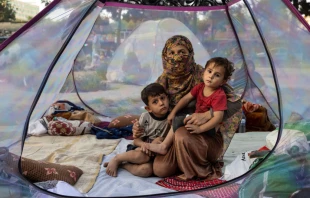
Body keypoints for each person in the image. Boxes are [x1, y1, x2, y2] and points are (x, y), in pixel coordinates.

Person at [133, 35, 242, 180]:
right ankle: (182, 161)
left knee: (182, 134)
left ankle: (196, 167)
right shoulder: (163, 80)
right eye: (172, 53)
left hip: (202, 137)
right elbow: (154, 109)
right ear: (165, 55)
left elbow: (237, 102)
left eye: (182, 52)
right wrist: (140, 128)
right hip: (173, 135)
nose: (177, 57)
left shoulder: (204, 76)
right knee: (160, 170)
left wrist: (208, 114)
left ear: (190, 53)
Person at [142, 57, 234, 156]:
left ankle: (164, 146)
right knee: (178, 117)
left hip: (209, 127)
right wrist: (173, 113)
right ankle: (168, 145)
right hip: (197, 119)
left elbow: (218, 118)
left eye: (217, 75)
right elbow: (186, 99)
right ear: (204, 71)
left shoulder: (219, 95)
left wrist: (201, 129)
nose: (211, 76)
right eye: (209, 71)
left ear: (223, 81)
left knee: (179, 121)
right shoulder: (200, 87)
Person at [104, 83, 170, 177]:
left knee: (145, 170)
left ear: (168, 98)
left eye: (163, 98)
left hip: (157, 153)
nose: (161, 103)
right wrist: (146, 145)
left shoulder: (172, 117)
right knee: (142, 156)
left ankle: (124, 165)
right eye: (155, 101)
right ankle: (117, 158)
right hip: (141, 150)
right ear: (148, 108)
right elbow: (136, 140)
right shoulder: (145, 117)